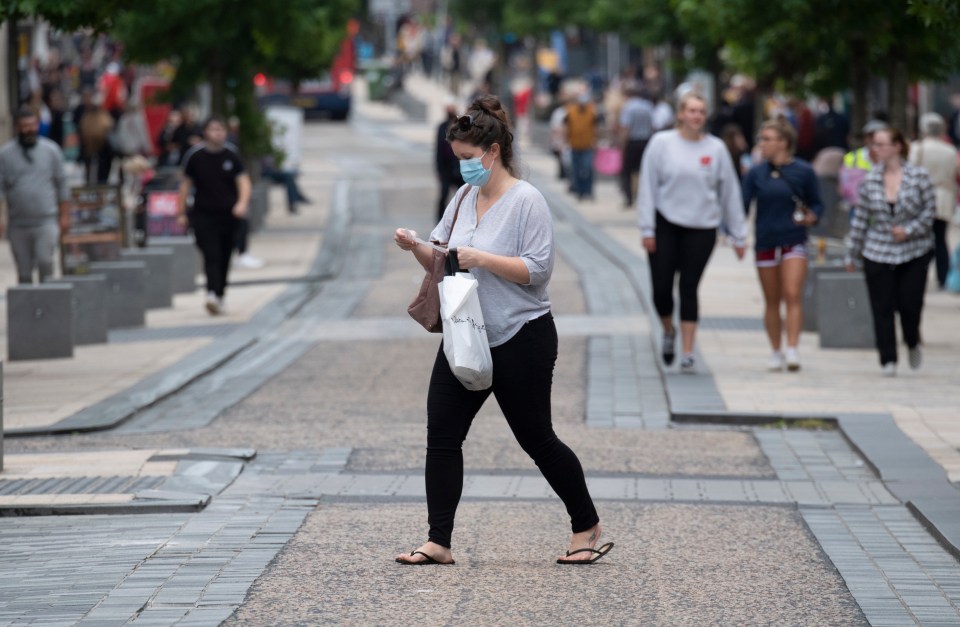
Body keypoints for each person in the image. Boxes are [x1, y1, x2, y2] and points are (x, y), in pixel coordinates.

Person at [392, 95, 613, 566]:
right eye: (458, 161)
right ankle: (438, 541)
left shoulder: (527, 201)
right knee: (442, 434)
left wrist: (482, 259)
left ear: (492, 152)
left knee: (537, 438)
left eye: (469, 160)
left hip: (522, 335)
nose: (463, 169)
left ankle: (585, 524)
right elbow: (442, 258)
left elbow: (538, 271)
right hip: (467, 333)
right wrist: (414, 245)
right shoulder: (464, 197)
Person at [637, 91, 747, 373]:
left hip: (702, 226)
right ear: (681, 114)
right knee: (661, 288)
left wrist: (739, 234)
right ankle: (668, 329)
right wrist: (647, 228)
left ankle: (688, 352)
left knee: (688, 287)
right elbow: (647, 187)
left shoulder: (716, 149)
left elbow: (729, 193)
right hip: (665, 224)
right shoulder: (662, 144)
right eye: (691, 110)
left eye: (701, 111)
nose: (696, 116)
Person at [845, 128, 935, 377]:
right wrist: (852, 254)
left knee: (910, 304)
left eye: (882, 144)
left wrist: (909, 229)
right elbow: (861, 220)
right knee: (881, 306)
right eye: (875, 144)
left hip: (913, 249)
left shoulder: (918, 176)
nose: (877, 149)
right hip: (878, 249)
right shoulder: (870, 180)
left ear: (897, 146)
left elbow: (929, 213)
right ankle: (887, 357)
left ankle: (912, 340)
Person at [742, 120, 823, 372]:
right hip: (766, 239)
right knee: (771, 299)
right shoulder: (756, 173)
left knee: (792, 293)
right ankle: (775, 349)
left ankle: (792, 348)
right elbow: (742, 205)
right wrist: (734, 233)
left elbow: (817, 203)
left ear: (783, 143)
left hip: (794, 237)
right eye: (761, 139)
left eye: (767, 139)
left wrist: (812, 216)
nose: (762, 144)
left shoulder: (804, 171)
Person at [177, 117, 251, 315]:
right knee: (212, 254)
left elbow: (243, 181)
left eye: (221, 129)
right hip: (203, 214)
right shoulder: (195, 156)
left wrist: (242, 203)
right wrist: (181, 212)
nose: (218, 133)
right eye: (214, 129)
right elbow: (185, 185)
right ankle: (211, 293)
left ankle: (220, 293)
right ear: (205, 132)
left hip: (228, 214)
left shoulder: (231, 155)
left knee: (226, 254)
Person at [0, 106, 71, 284]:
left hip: (45, 220)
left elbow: (62, 184)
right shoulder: (5, 155)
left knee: (46, 262)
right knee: (24, 272)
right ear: (17, 127)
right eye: (24, 126)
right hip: (18, 224)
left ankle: (47, 306)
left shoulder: (51, 150)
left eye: (32, 125)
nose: (29, 130)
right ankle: (28, 309)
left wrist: (65, 215)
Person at [908, 112, 958, 289]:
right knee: (940, 239)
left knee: (921, 238)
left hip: (921, 197)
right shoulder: (950, 150)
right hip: (944, 197)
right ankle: (942, 277)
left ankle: (918, 274)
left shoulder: (916, 148)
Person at [618, 81, 654, 207]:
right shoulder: (648, 106)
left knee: (627, 171)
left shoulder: (628, 107)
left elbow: (625, 127)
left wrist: (623, 144)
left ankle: (629, 198)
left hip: (632, 142)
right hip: (646, 141)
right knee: (643, 171)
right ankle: (642, 197)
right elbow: (653, 125)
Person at [434, 100, 465, 221]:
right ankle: (440, 221)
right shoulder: (442, 127)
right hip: (446, 168)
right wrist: (438, 169)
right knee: (443, 195)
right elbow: (438, 150)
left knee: (463, 196)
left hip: (459, 166)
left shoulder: (461, 125)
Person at [565, 91, 598, 201]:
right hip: (574, 145)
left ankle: (588, 191)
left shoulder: (591, 112)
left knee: (587, 169)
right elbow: (566, 127)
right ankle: (579, 192)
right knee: (577, 170)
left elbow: (596, 128)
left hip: (587, 146)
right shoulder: (571, 112)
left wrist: (596, 141)